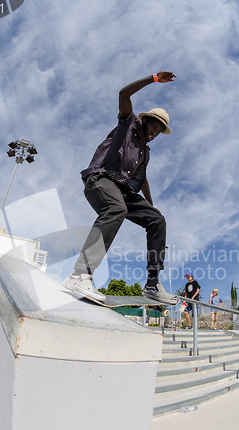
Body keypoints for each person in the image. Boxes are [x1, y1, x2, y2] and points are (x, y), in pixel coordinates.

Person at [63, 72, 178, 305]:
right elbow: (123, 93)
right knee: (117, 209)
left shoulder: (144, 152)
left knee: (158, 220)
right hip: (100, 178)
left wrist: (150, 209)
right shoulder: (129, 124)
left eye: (158, 132)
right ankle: (79, 275)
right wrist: (154, 78)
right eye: (153, 127)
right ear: (145, 121)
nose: (154, 133)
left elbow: (142, 179)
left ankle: (152, 286)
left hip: (123, 189)